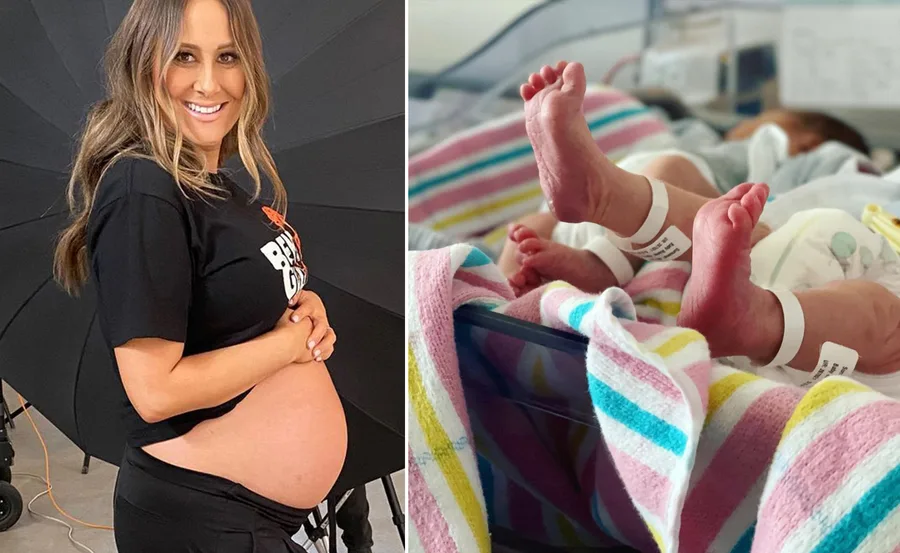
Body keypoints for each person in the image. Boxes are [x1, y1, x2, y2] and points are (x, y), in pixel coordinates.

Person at [53, 1, 346, 551]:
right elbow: (157, 392)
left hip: (241, 520)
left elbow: (232, 316)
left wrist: (303, 315)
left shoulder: (212, 186)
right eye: (184, 56)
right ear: (146, 66)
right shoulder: (143, 186)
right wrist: (288, 348)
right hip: (201, 518)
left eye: (227, 56)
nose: (210, 83)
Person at [513, 60, 900, 382]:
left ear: (803, 142)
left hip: (812, 289)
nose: (736, 134)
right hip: (763, 262)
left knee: (682, 175)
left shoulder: (826, 161)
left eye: (755, 128)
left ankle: (754, 319)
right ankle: (604, 223)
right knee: (691, 187)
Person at [499, 68, 872, 297]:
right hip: (606, 200)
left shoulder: (792, 156)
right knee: (526, 231)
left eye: (760, 120)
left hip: (648, 201)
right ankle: (506, 289)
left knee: (670, 172)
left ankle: (598, 260)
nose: (739, 128)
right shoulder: (693, 133)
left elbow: (847, 185)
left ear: (806, 141)